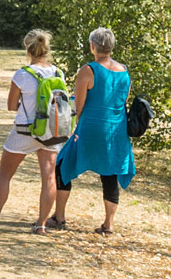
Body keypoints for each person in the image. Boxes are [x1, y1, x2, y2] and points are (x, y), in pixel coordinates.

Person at [54, 27, 136, 233]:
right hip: (116, 130)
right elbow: (123, 101)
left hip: (90, 127)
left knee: (63, 164)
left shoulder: (88, 70)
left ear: (92, 46)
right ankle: (108, 224)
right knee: (110, 174)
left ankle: (59, 216)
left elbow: (78, 105)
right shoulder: (124, 72)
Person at [0, 29, 69, 233]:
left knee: (5, 174)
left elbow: (12, 106)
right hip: (51, 131)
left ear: (28, 49)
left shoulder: (23, 74)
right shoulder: (59, 73)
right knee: (48, 177)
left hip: (25, 131)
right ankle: (41, 224)